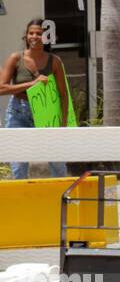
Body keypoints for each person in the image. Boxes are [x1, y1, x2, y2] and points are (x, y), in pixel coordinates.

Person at [1, 19, 70, 179]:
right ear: (25, 36)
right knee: (18, 165)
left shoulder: (55, 61)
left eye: (39, 33)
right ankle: (21, 201)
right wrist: (32, 83)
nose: (34, 36)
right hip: (19, 112)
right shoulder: (16, 58)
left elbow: (63, 94)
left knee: (58, 162)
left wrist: (64, 122)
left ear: (46, 37)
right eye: (31, 33)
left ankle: (63, 199)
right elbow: (2, 88)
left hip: (47, 113)